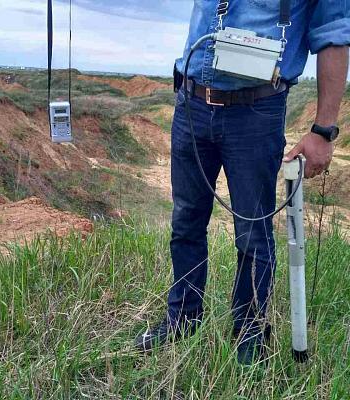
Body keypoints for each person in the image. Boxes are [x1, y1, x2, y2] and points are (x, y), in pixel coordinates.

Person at [135, 0, 350, 364]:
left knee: (253, 232)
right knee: (185, 221)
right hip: (191, 103)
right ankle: (183, 318)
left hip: (256, 112)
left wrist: (323, 130)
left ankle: (249, 332)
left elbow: (334, 35)